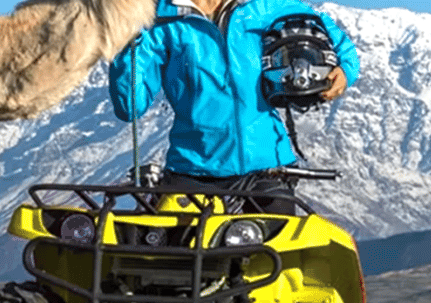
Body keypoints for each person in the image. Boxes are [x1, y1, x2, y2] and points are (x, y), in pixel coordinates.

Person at [109, 0, 360, 210]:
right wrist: (127, 42)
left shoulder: (262, 5)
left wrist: (346, 70)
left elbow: (328, 31)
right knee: (184, 265)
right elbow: (129, 106)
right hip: (192, 170)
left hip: (267, 168)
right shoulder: (158, 18)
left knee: (273, 263)